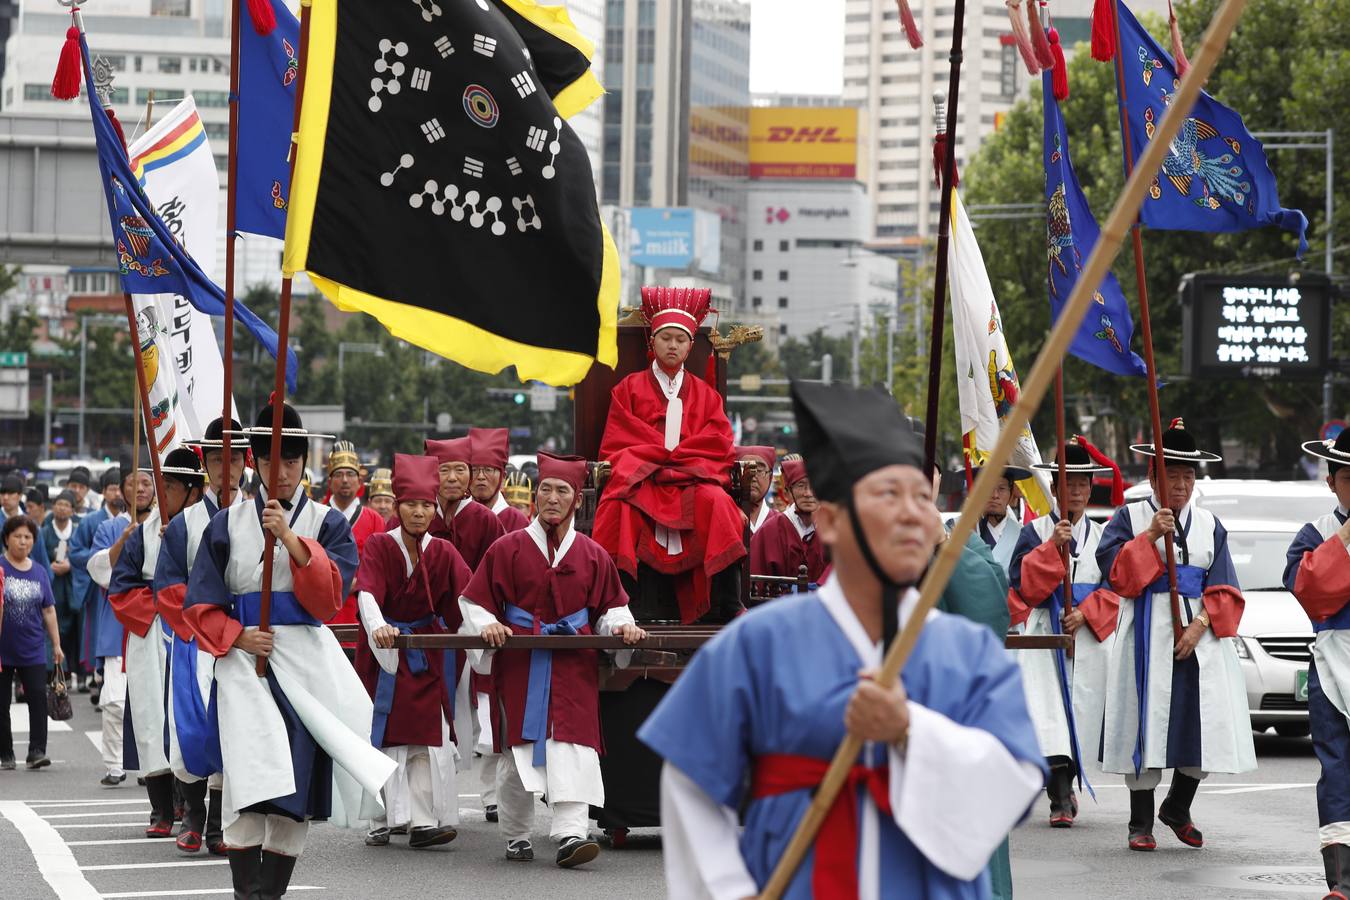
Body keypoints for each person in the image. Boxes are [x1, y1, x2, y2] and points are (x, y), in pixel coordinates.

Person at [638, 381, 1045, 898]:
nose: (911, 514)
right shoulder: (756, 646)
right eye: (887, 495)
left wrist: (909, 730)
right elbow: (691, 786)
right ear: (829, 521)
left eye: (922, 497)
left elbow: (1013, 786)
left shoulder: (967, 653)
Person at [184, 401, 395, 900]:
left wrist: (293, 542)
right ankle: (245, 892)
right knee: (246, 779)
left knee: (292, 789)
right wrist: (236, 635)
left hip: (304, 663)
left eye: (293, 462)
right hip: (243, 662)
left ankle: (268, 894)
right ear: (254, 461)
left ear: (306, 465)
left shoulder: (326, 523)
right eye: (272, 461)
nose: (282, 472)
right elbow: (201, 601)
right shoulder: (226, 523)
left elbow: (329, 599)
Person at [460, 451, 646, 867]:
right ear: (535, 496)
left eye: (563, 490)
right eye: (546, 489)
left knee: (575, 746)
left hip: (573, 664)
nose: (553, 497)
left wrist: (622, 628)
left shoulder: (593, 553)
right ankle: (517, 834)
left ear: (577, 500)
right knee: (518, 752)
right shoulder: (507, 548)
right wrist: (489, 624)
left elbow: (612, 608)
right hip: (522, 663)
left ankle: (570, 834)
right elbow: (474, 601)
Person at [1097, 418, 1254, 852]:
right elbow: (1117, 577)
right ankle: (1140, 821)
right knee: (1142, 720)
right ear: (1153, 476)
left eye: (1188, 476)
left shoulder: (1210, 524)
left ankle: (1178, 807)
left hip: (1197, 636)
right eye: (1173, 475)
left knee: (1200, 723)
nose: (1181, 485)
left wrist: (1200, 624)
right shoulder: (1129, 518)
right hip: (1146, 630)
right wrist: (1149, 537)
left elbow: (1224, 586)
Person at [592, 287, 746, 624]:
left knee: (719, 505)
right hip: (644, 478)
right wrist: (663, 456)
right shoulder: (629, 389)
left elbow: (718, 444)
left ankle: (726, 604)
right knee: (619, 507)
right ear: (653, 344)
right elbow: (620, 441)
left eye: (680, 339)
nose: (673, 345)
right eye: (666, 338)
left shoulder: (706, 395)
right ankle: (625, 604)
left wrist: (673, 459)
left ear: (691, 345)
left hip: (691, 479)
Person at [355, 453, 473, 849]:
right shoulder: (377, 545)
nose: (420, 512)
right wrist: (379, 628)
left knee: (426, 738)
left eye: (427, 505)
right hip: (385, 653)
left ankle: (422, 820)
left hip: (424, 654)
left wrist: (485, 626)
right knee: (384, 737)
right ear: (398, 505)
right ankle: (381, 818)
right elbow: (367, 594)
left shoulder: (442, 552)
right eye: (411, 504)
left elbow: (468, 599)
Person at [1008, 439, 1122, 828]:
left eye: (1082, 484)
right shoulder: (1034, 532)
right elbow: (1020, 585)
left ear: (1090, 489)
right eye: (1067, 484)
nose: (1074, 491)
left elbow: (1116, 585)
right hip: (1044, 631)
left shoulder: (1104, 534)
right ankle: (1059, 796)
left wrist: (1086, 614)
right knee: (1049, 713)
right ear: (1053, 488)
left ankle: (1068, 784)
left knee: (1083, 714)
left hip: (1086, 635)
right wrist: (1050, 549)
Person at [156, 418, 245, 856]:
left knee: (235, 731)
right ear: (205, 464)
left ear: (248, 462)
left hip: (244, 642)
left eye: (233, 459)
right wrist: (202, 625)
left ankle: (221, 825)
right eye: (215, 459)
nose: (225, 469)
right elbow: (168, 588)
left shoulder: (263, 518)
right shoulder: (183, 525)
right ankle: (193, 815)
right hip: (194, 641)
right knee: (192, 732)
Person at [108, 448, 206, 840]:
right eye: (160, 486)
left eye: (171, 487)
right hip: (150, 633)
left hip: (192, 629)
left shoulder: (207, 528)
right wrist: (157, 608)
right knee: (151, 718)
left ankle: (194, 807)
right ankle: (161, 809)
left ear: (193, 491)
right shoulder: (142, 534)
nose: (161, 494)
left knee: (189, 718)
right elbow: (120, 588)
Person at [1285, 430, 1350, 899]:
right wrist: (1347, 537)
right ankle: (1341, 881)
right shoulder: (1315, 534)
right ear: (1331, 483)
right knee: (1338, 768)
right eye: (1349, 478)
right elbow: (1312, 593)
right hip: (1333, 661)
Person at [88, 467, 154, 788]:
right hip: (119, 622)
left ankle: (150, 765)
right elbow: (99, 571)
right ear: (122, 491)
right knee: (115, 700)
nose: (139, 489)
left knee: (150, 699)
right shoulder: (110, 527)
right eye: (133, 483)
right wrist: (123, 542)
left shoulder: (165, 526)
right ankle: (115, 763)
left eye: (146, 483)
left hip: (156, 621)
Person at [0, 516, 62, 770]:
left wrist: (56, 645)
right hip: (3, 650)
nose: (23, 541)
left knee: (37, 698)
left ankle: (37, 751)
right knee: (1, 704)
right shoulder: (1, 568)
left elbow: (49, 610)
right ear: (7, 539)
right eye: (17, 536)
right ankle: (5, 753)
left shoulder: (39, 571)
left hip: (34, 647)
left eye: (28, 537)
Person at [326, 440, 389, 657]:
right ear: (330, 479)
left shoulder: (374, 520)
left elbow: (382, 568)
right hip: (324, 615)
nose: (345, 480)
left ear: (360, 480)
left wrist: (358, 583)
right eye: (339, 474)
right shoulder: (317, 515)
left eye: (350, 474)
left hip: (362, 615)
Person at [69, 466, 122, 702]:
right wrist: (97, 558)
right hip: (97, 587)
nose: (117, 494)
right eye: (112, 489)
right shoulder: (93, 521)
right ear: (103, 492)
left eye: (119, 488)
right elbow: (76, 552)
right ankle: (94, 674)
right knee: (96, 631)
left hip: (122, 588)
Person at [423, 437, 506, 571]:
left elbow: (499, 570)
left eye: (460, 470)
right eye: (444, 470)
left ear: (470, 475)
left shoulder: (486, 520)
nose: (452, 478)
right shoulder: (417, 517)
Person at [750, 455, 828, 592]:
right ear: (788, 492)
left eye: (814, 486)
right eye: (801, 486)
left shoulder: (833, 530)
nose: (808, 493)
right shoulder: (770, 530)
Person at [42, 490, 82, 690]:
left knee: (72, 630)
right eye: (59, 504)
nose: (62, 508)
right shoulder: (45, 531)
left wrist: (71, 565)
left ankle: (72, 672)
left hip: (72, 587)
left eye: (67, 505)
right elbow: (38, 556)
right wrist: (48, 568)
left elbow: (84, 553)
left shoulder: (77, 529)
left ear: (73, 510)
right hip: (52, 585)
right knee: (51, 629)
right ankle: (53, 672)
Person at [966, 465, 1033, 574]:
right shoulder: (959, 530)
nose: (995, 495)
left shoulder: (1023, 536)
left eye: (1001, 489)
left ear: (1011, 494)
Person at [469, 427, 531, 532]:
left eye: (488, 470)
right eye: (474, 470)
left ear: (503, 478)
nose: (481, 476)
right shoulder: (458, 517)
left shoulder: (517, 521)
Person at [1, 474, 50, 571]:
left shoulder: (31, 524)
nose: (5, 497)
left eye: (10, 493)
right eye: (2, 493)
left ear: (20, 496)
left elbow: (41, 558)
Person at [736, 445, 780, 538]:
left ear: (770, 476)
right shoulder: (726, 519)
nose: (752, 477)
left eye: (759, 470)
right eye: (745, 470)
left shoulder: (782, 524)